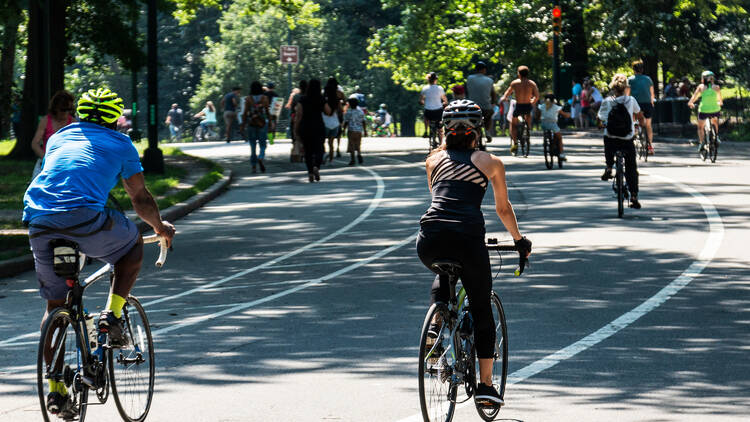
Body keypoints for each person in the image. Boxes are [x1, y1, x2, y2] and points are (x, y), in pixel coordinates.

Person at [23, 88, 175, 417]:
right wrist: (159, 227)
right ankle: (113, 315)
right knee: (132, 244)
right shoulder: (121, 144)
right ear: (115, 118)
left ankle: (56, 391)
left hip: (39, 220)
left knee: (54, 306)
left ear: (81, 112)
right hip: (83, 218)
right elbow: (140, 199)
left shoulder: (58, 137)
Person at [417, 99, 531, 407]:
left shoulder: (433, 159)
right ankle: (485, 385)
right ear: (477, 130)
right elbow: (503, 208)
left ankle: (437, 324)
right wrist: (519, 240)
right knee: (481, 308)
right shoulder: (490, 162)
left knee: (444, 270)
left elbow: (441, 200)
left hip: (428, 240)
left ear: (445, 129)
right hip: (467, 239)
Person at [597, 74, 644, 209]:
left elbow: (599, 119)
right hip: (627, 137)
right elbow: (640, 116)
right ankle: (634, 195)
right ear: (625, 88)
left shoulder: (607, 101)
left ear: (613, 87)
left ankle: (609, 167)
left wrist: (601, 125)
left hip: (611, 137)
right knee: (631, 167)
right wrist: (639, 126)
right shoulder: (631, 100)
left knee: (607, 139)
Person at [30, 90, 76, 177]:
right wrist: (45, 158)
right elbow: (35, 143)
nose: (66, 113)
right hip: (45, 162)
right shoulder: (46, 121)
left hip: (66, 164)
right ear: (55, 108)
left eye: (69, 109)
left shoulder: (73, 123)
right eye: (63, 109)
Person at [295, 79, 330, 182]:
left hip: (305, 127)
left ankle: (310, 172)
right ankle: (316, 167)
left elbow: (299, 115)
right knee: (320, 149)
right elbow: (328, 111)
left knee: (308, 151)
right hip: (318, 126)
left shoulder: (302, 99)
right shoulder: (321, 99)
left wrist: (296, 129)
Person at [500, 65, 540, 154]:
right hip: (528, 105)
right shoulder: (532, 83)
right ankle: (528, 129)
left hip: (519, 106)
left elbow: (507, 93)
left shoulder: (515, 83)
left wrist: (505, 98)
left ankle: (515, 143)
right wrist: (532, 102)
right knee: (528, 115)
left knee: (513, 124)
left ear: (519, 74)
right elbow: (537, 96)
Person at [687, 70, 723, 150]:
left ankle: (702, 142)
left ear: (703, 79)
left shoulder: (701, 87)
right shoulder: (716, 87)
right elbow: (720, 100)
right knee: (715, 122)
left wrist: (690, 103)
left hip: (704, 110)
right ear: (713, 79)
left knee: (700, 127)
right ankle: (716, 137)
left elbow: (694, 97)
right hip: (715, 109)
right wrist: (719, 103)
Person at [465, 61, 497, 146]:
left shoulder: (469, 78)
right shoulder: (489, 80)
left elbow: (466, 90)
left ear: (475, 70)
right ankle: (487, 131)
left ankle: (471, 132)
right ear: (484, 70)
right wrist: (493, 103)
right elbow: (493, 93)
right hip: (486, 107)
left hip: (472, 107)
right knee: (489, 114)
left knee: (470, 120)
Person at [241, 81, 270, 173]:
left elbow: (245, 112)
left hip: (251, 123)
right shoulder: (265, 98)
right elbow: (267, 112)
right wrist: (271, 121)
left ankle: (253, 166)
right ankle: (261, 157)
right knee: (263, 144)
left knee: (253, 145)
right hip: (262, 123)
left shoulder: (248, 99)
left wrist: (243, 124)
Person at [627, 60, 655, 155]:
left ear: (633, 70)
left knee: (632, 119)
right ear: (642, 69)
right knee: (648, 125)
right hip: (647, 104)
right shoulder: (648, 79)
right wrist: (652, 102)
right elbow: (652, 94)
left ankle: (634, 131)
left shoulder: (630, 80)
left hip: (635, 104)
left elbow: (627, 94)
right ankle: (650, 146)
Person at [538, 93, 571, 161]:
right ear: (554, 100)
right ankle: (561, 154)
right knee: (559, 138)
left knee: (547, 131)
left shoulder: (542, 106)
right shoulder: (556, 107)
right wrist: (568, 115)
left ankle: (546, 140)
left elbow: (538, 115)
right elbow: (564, 115)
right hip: (553, 124)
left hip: (543, 124)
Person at [420, 72, 448, 143]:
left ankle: (426, 131)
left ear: (428, 80)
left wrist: (423, 103)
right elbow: (444, 99)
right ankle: (441, 142)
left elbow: (421, 100)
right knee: (440, 128)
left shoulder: (425, 88)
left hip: (429, 111)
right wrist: (444, 103)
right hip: (438, 111)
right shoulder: (440, 88)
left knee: (426, 117)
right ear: (436, 80)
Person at [323, 78, 344, 161]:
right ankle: (331, 159)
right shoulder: (338, 97)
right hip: (335, 122)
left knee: (322, 141)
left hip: (324, 122)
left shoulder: (323, 97)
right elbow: (341, 110)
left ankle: (323, 155)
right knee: (331, 143)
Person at [343, 96, 367, 165]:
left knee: (352, 145)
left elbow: (346, 122)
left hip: (351, 130)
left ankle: (353, 159)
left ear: (350, 104)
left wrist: (343, 130)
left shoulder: (348, 112)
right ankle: (359, 154)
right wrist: (365, 130)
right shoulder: (361, 112)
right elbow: (363, 121)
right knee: (358, 144)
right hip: (359, 130)